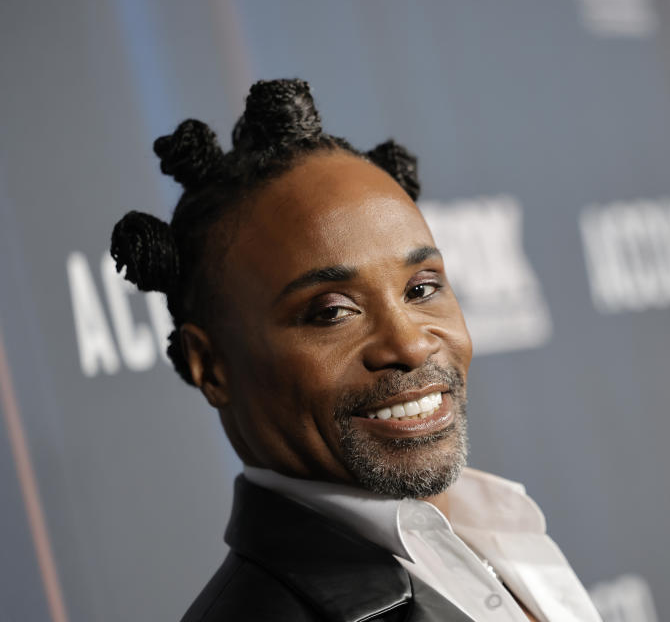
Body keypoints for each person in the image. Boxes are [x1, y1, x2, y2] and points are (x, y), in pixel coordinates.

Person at [110, 79, 601, 622]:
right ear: (212, 366)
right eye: (333, 312)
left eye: (422, 289)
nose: (411, 343)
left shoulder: (501, 533)